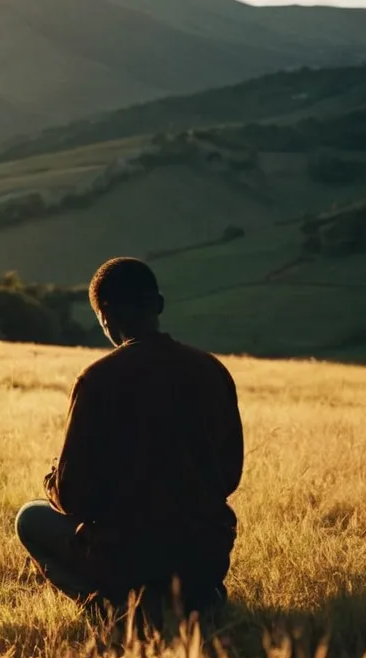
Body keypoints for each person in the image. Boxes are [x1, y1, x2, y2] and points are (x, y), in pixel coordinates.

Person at [15, 257, 243, 629]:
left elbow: (72, 497)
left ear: (104, 315)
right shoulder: (212, 370)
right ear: (159, 305)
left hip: (127, 557)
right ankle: (198, 600)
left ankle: (118, 610)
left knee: (31, 518)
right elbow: (229, 476)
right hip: (204, 557)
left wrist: (52, 478)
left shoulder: (98, 380)